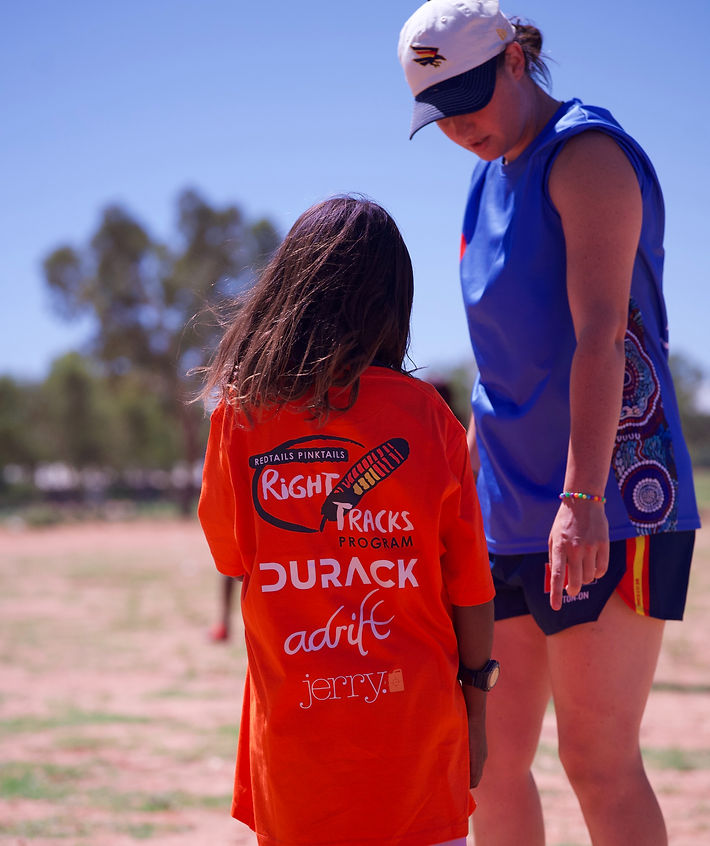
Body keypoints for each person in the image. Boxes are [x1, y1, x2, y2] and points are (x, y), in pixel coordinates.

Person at [397, 2, 700, 845]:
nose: (460, 126)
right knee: (487, 759)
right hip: (504, 511)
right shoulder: (484, 176)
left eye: (469, 99)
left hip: (608, 499)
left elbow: (602, 336)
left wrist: (582, 499)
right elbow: (500, 373)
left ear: (514, 60)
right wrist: (454, 509)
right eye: (441, 112)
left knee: (597, 760)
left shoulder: (585, 154)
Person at [197, 195, 498, 846]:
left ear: (284, 293)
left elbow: (232, 557)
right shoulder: (428, 418)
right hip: (417, 745)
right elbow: (471, 589)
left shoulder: (239, 418)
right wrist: (476, 713)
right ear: (393, 305)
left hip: (296, 753)